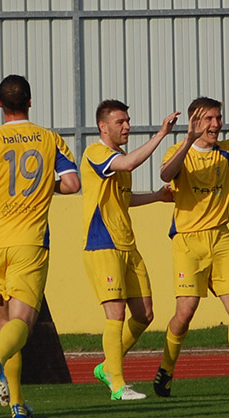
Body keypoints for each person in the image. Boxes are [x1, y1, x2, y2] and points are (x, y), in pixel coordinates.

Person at [0, 74, 80, 418]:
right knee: (23, 324)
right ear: (30, 101)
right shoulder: (49, 138)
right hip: (29, 240)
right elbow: (71, 184)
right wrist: (47, 185)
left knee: (4, 323)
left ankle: (16, 402)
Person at [153, 94, 229, 398]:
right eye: (209, 119)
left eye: (218, 118)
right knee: (186, 311)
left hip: (220, 238)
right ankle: (166, 370)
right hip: (187, 241)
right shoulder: (178, 151)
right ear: (195, 122)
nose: (216, 124)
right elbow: (166, 174)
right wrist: (187, 141)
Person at [81, 100, 179, 401]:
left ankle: (107, 366)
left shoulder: (119, 155)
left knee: (145, 314)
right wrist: (162, 133)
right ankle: (118, 385)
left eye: (128, 120)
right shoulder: (96, 152)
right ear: (103, 126)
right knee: (116, 313)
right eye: (120, 121)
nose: (127, 126)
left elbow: (124, 199)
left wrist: (157, 197)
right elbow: (130, 164)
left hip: (126, 243)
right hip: (102, 243)